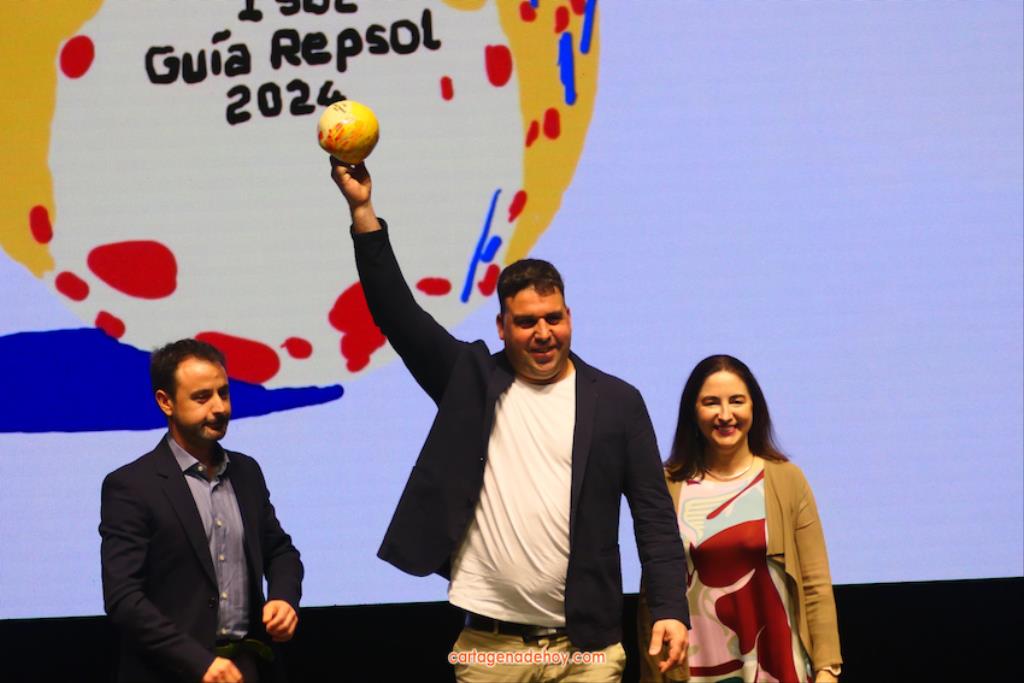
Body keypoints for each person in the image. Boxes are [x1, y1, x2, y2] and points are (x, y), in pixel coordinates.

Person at [331, 159, 689, 682]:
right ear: (501, 326)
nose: (543, 332)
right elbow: (396, 314)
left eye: (553, 318)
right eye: (526, 322)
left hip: (586, 652)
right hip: (490, 649)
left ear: (569, 317)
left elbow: (654, 517)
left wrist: (672, 609)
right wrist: (363, 210)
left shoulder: (617, 402)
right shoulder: (470, 379)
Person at [100, 339, 303, 683]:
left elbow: (280, 551)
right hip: (170, 672)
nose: (219, 407)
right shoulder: (131, 486)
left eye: (223, 393)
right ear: (165, 402)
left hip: (247, 667)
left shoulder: (247, 472)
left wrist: (284, 598)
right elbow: (123, 598)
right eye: (202, 397)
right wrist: (198, 661)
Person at [638, 355, 842, 683]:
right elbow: (653, 593)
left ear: (754, 408)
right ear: (693, 411)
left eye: (736, 401)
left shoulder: (786, 480)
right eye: (711, 403)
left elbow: (815, 584)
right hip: (694, 666)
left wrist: (827, 669)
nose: (725, 415)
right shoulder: (668, 485)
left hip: (775, 664)